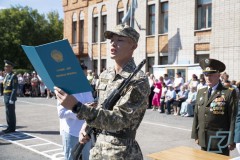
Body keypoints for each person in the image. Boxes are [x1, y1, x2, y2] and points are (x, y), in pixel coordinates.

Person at [54, 24, 150, 159]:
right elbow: (100, 106)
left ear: (133, 46)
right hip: (98, 148)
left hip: (121, 152)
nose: (113, 44)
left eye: (120, 40)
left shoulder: (138, 80)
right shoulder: (106, 75)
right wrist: (86, 126)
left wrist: (77, 107)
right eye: (112, 40)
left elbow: (120, 119)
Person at [191, 58, 238, 156]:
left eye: (211, 75)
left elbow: (233, 118)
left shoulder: (228, 92)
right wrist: (195, 134)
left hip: (220, 140)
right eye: (206, 75)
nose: (208, 78)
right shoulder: (201, 92)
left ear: (218, 75)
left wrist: (231, 139)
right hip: (203, 138)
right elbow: (196, 115)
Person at [57, 89, 94, 160]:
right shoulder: (65, 89)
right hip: (72, 132)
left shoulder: (86, 89)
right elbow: (61, 113)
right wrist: (80, 110)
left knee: (87, 158)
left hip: (86, 132)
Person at [1, 60, 18, 133]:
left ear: (10, 67)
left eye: (7, 67)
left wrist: (12, 98)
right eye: (5, 67)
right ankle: (9, 126)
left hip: (10, 96)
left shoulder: (13, 76)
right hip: (6, 96)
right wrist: (3, 96)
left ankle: (12, 128)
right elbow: (5, 87)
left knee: (11, 112)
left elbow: (14, 88)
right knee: (7, 112)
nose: (5, 68)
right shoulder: (6, 75)